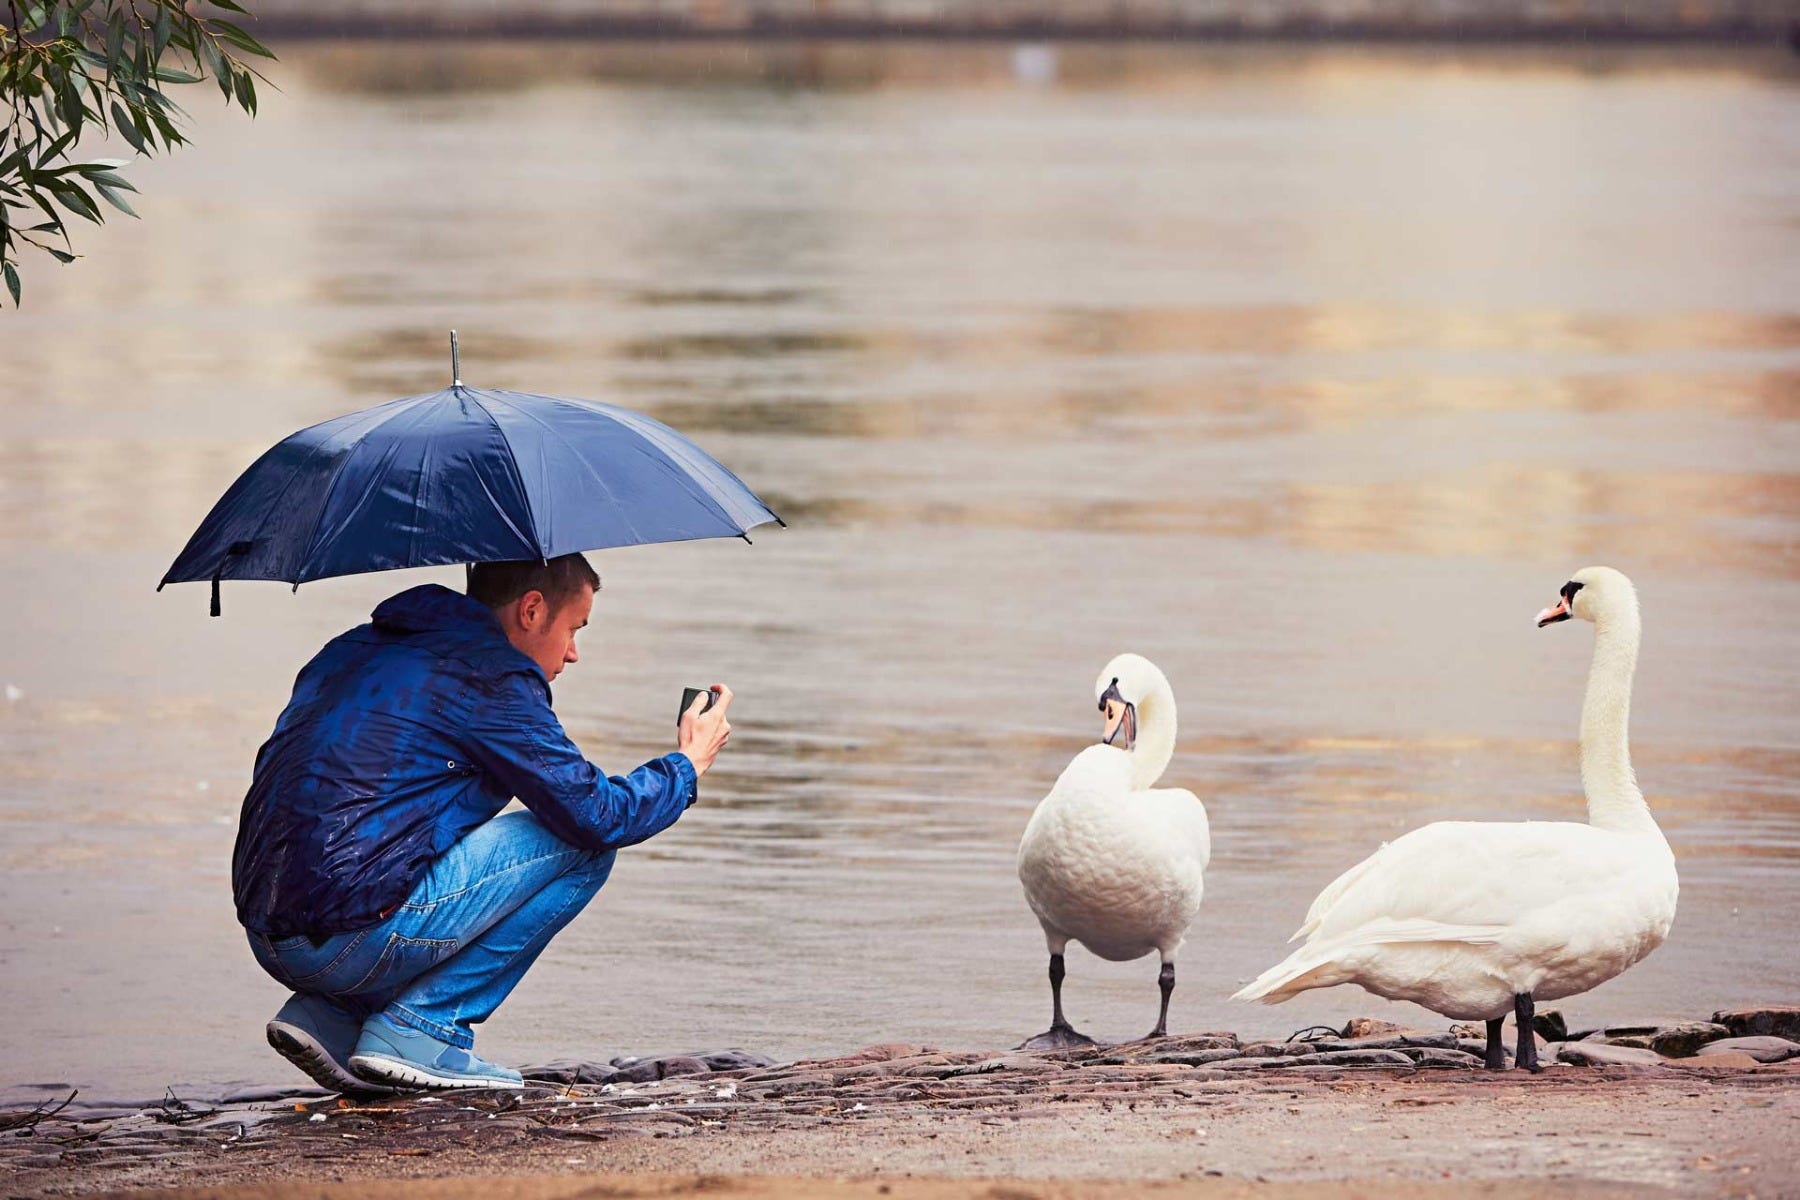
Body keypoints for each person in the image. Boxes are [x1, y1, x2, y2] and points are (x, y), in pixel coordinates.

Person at [233, 553, 732, 1092]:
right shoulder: (489, 676)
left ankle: (332, 1017)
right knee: (584, 847)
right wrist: (686, 765)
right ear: (533, 610)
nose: (573, 653)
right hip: (348, 942)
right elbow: (597, 815)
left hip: (268, 932)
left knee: (416, 833)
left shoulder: (352, 648)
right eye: (573, 629)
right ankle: (422, 1030)